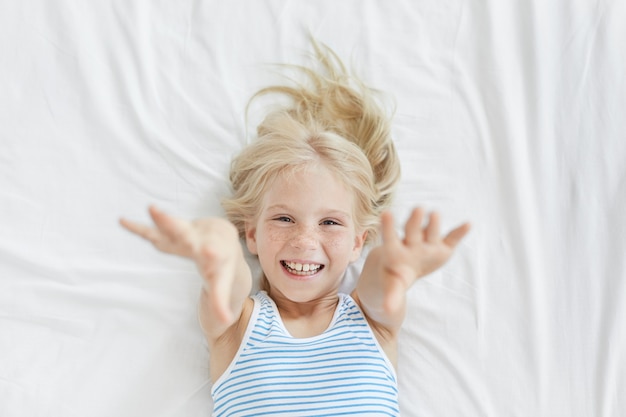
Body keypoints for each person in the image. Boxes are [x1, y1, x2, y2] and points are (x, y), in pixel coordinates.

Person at [120, 41, 470, 416]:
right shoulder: (237, 326)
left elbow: (381, 289)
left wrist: (397, 268)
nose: (304, 241)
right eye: (284, 219)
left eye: (330, 223)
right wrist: (221, 249)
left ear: (358, 243)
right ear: (251, 234)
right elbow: (229, 285)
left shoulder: (372, 320)